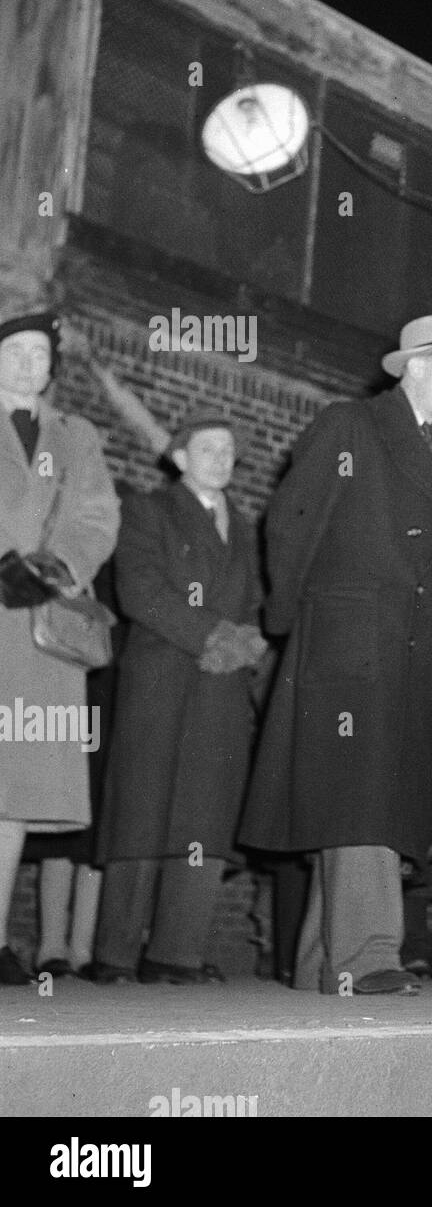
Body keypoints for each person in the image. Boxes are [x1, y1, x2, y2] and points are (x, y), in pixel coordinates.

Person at [240, 315, 432, 996]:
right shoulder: (349, 425)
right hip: (350, 639)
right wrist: (297, 620)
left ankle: (326, 964)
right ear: (410, 365)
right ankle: (369, 954)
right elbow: (290, 521)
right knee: (359, 798)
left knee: (365, 798)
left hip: (411, 654)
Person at [91, 411, 266, 984]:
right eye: (208, 448)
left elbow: (254, 604)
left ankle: (176, 951)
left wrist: (245, 644)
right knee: (144, 807)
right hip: (162, 677)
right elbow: (139, 590)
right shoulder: (148, 510)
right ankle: (115, 953)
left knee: (203, 812)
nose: (221, 458)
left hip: (219, 689)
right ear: (180, 456)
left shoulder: (244, 526)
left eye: (229, 451)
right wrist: (210, 635)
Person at [0, 309, 119, 986]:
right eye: (13, 350)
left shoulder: (76, 437)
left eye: (37, 354)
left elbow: (97, 512)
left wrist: (58, 566)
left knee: (13, 789)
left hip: (39, 623)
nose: (25, 363)